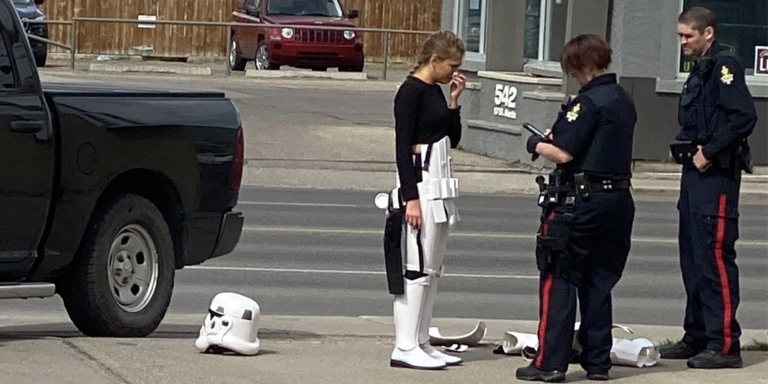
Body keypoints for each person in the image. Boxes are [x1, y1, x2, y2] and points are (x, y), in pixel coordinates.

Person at [517, 34, 637, 382]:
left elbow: (563, 152)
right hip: (618, 200)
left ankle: (549, 363)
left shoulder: (587, 102)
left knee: (559, 278)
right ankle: (598, 362)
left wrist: (535, 142)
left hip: (580, 203)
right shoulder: (623, 98)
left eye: (571, 69)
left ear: (580, 66)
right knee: (599, 282)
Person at [660, 5, 757, 369]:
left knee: (714, 258)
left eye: (688, 36)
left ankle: (725, 344)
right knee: (693, 258)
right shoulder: (700, 69)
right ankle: (697, 335)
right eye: (680, 36)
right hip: (694, 175)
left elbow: (743, 117)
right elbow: (698, 118)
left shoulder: (724, 66)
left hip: (716, 175)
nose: (683, 42)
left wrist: (709, 152)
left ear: (708, 33)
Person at [388, 30, 467, 370]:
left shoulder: (435, 90)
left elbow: (452, 138)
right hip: (420, 184)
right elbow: (402, 147)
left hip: (439, 181)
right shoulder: (410, 92)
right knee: (417, 266)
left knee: (432, 269)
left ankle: (421, 340)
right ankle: (405, 345)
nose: (455, 72)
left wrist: (454, 101)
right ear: (434, 60)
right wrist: (410, 198)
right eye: (452, 65)